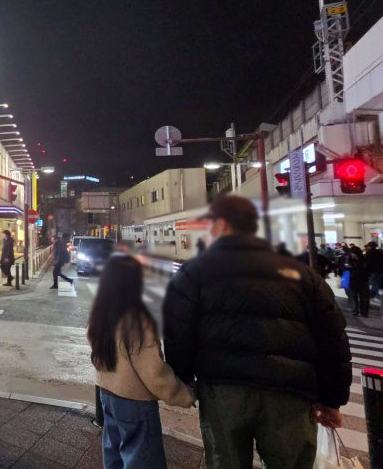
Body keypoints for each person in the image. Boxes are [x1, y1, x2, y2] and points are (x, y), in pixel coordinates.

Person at [163, 195, 351, 469]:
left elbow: (178, 332)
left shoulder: (196, 271)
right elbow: (333, 340)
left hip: (224, 390)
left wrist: (184, 380)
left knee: (226, 461)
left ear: (221, 224)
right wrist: (332, 399)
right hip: (290, 392)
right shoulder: (302, 274)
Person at [89, 255, 195, 469]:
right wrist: (184, 394)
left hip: (107, 394)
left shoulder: (101, 311)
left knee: (114, 455)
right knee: (142, 460)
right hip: (134, 400)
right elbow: (153, 371)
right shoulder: (137, 317)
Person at [348, 245, 370, 317]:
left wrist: (352, 268)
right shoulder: (350, 260)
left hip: (362, 281)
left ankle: (363, 312)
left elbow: (366, 270)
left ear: (356, 253)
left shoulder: (364, 260)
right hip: (354, 281)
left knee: (363, 298)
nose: (351, 255)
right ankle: (355, 311)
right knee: (354, 297)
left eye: (352, 253)